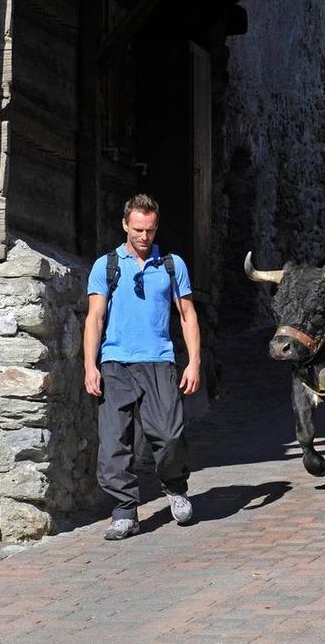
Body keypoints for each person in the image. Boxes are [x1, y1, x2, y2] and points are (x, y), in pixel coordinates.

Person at [84, 194, 201, 541]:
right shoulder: (106, 265)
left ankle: (174, 486)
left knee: (169, 435)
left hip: (159, 361)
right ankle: (124, 512)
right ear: (125, 224)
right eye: (137, 229)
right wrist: (90, 365)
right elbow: (95, 318)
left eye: (149, 229)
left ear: (156, 226)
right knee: (113, 443)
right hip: (115, 363)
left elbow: (187, 315)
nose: (143, 236)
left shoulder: (172, 265)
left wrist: (194, 362)